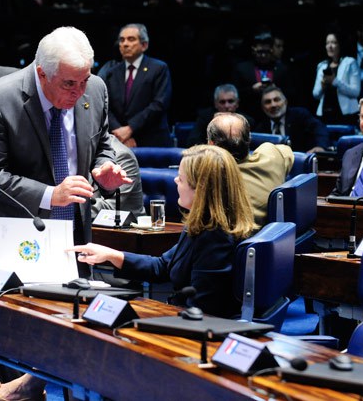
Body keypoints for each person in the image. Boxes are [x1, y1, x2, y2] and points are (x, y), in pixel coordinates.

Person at [0, 26, 131, 274]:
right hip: (14, 234)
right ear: (42, 74)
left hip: (73, 234)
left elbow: (102, 144)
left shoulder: (96, 89)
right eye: (69, 84)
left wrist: (103, 168)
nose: (79, 92)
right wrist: (50, 194)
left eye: (84, 80)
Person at [70, 144, 257, 316]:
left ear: (200, 190)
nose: (175, 180)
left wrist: (148, 316)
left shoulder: (216, 236)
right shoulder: (202, 225)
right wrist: (110, 255)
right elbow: (162, 267)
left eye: (181, 178)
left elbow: (202, 311)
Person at [207, 112, 293, 225]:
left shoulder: (211, 180)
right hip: (269, 232)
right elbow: (287, 151)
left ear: (211, 145)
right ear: (249, 138)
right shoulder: (272, 155)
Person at [97, 23, 173, 147]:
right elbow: (105, 106)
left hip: (152, 141)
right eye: (122, 40)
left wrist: (130, 129)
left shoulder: (158, 68)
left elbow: (159, 104)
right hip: (120, 140)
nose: (125, 44)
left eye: (131, 39)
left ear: (144, 45)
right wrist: (120, 132)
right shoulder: (111, 72)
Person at [232, 31, 298, 117]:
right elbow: (234, 94)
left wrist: (276, 89)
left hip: (276, 113)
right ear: (253, 49)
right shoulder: (242, 69)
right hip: (250, 114)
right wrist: (252, 90)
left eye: (266, 52)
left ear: (272, 50)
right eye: (260, 52)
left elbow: (292, 93)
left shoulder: (282, 69)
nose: (263, 55)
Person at [254, 85, 328, 153]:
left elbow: (319, 128)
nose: (273, 105)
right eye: (268, 102)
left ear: (285, 102)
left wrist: (320, 146)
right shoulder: (261, 128)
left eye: (277, 100)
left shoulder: (300, 115)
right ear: (263, 107)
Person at [312, 31, 360, 124]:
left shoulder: (350, 62)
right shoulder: (322, 65)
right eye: (327, 43)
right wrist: (322, 87)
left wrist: (335, 81)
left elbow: (355, 92)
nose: (330, 46)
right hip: (325, 114)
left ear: (340, 44)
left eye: (333, 42)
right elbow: (315, 94)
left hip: (346, 115)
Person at [91, 135, 144, 218]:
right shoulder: (78, 154)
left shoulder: (121, 155)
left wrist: (72, 205)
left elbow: (108, 209)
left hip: (126, 225)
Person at [186, 83, 255, 147]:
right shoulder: (205, 117)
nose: (226, 106)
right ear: (215, 104)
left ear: (237, 103)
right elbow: (192, 142)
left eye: (230, 101)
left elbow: (251, 145)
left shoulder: (247, 121)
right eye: (222, 102)